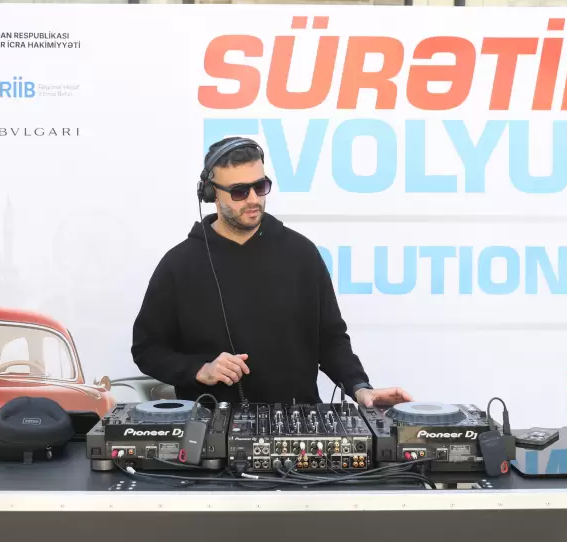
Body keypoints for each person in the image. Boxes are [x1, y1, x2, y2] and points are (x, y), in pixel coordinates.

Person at [130, 136, 413, 408]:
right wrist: (199, 369)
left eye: (260, 186)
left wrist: (360, 388)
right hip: (209, 427)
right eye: (239, 191)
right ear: (211, 193)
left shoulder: (301, 254)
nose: (253, 199)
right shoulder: (179, 264)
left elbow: (330, 339)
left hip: (297, 423)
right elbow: (147, 349)